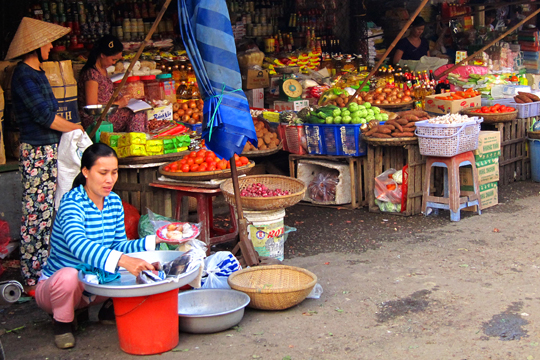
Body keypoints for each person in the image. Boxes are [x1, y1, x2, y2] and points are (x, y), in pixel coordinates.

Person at [35, 143, 160, 349]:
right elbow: (79, 245)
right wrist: (123, 260)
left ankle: (109, 309)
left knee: (145, 265)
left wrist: (156, 240)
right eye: (103, 173)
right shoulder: (72, 204)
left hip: (94, 284)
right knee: (69, 277)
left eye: (114, 172)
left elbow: (119, 245)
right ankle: (62, 325)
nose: (109, 179)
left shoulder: (114, 202)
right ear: (85, 172)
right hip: (57, 288)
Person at [6, 18, 85, 293]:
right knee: (37, 215)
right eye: (48, 42)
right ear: (36, 46)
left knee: (52, 212)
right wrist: (75, 127)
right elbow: (44, 116)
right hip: (38, 152)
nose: (52, 46)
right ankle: (32, 277)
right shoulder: (23, 75)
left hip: (50, 150)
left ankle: (49, 272)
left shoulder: (37, 72)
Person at [78, 35, 147, 133]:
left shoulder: (103, 70)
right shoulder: (91, 74)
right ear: (102, 55)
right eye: (113, 59)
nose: (114, 63)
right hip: (96, 118)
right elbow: (92, 105)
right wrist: (118, 104)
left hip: (108, 112)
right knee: (136, 114)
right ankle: (135, 144)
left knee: (141, 110)